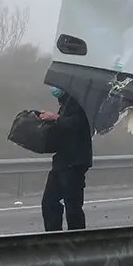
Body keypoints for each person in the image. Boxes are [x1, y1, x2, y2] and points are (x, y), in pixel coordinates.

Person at [39, 86, 93, 231]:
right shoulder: (66, 102)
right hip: (62, 161)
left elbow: (78, 124)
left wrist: (56, 118)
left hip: (74, 162)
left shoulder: (81, 102)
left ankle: (77, 242)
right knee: (49, 202)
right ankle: (54, 239)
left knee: (72, 205)